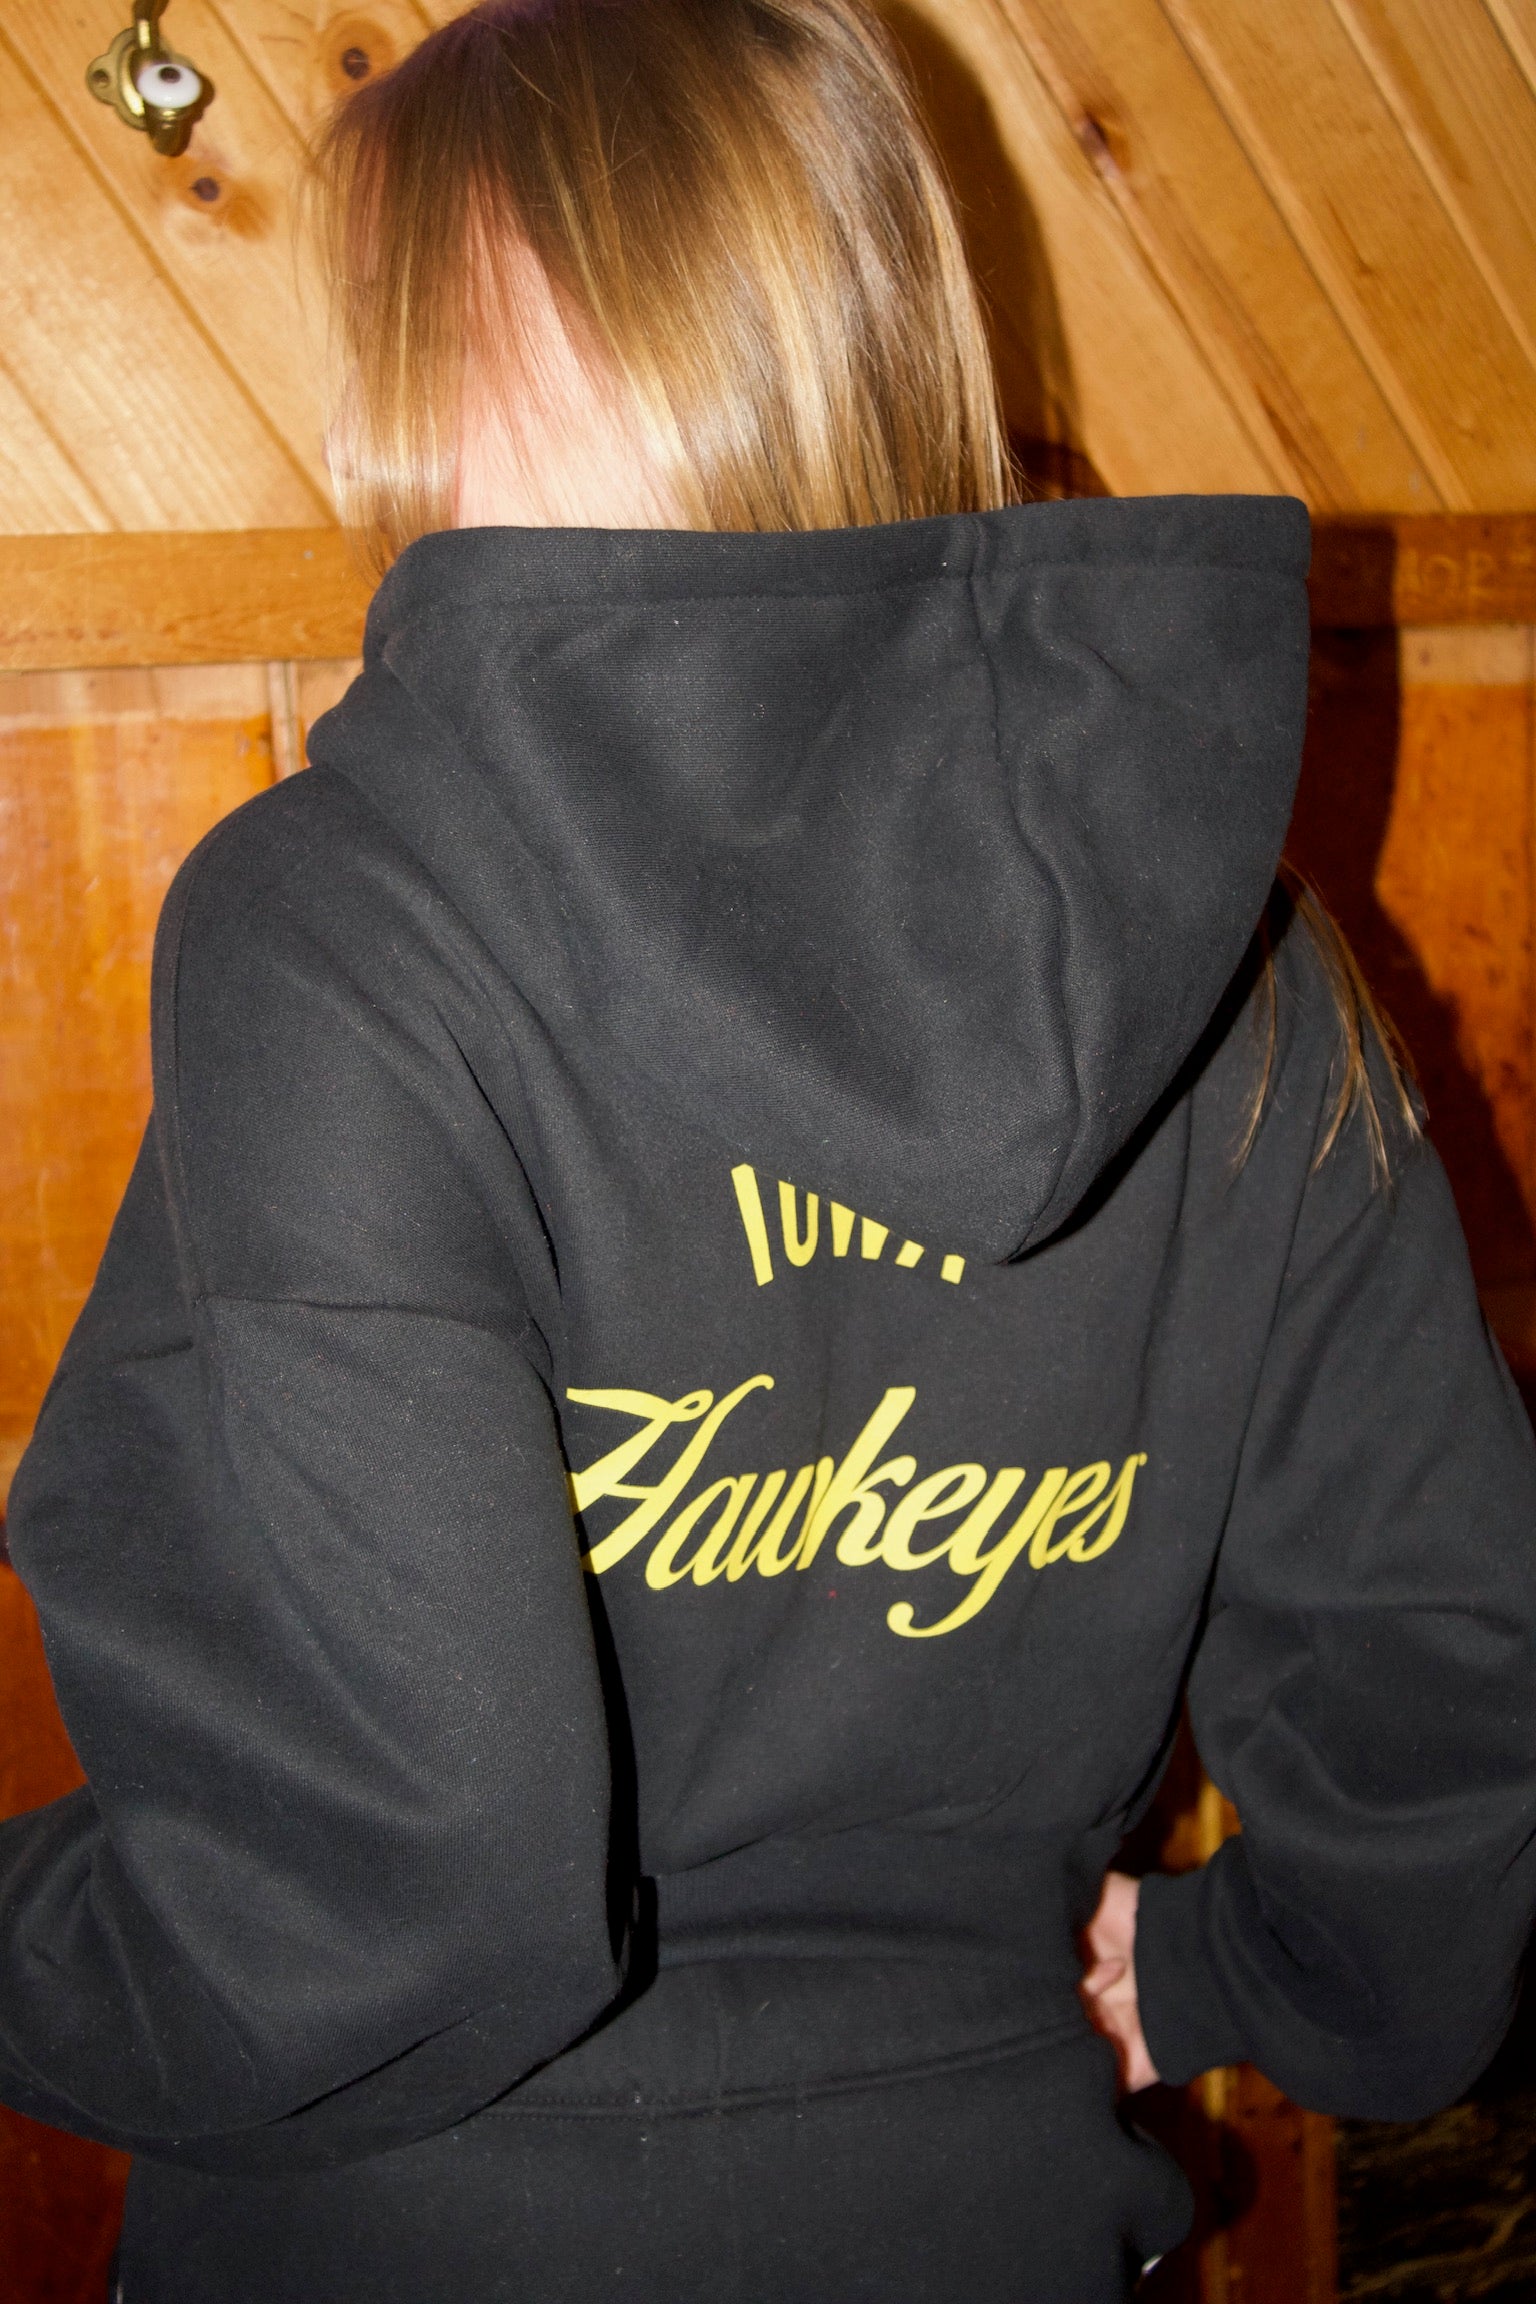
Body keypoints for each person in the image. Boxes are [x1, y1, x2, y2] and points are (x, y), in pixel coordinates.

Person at [3, 2, 1535, 2298]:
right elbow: (1441, 1672)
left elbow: (401, 1900)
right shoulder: (1237, 959)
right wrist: (1256, 1976)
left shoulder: (344, 925)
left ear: (429, 375)